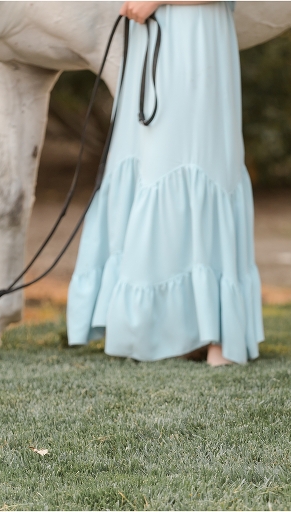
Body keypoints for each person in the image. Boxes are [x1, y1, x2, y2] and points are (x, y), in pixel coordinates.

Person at [67, 0, 263, 366]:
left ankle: (217, 335)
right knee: (147, 161)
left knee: (200, 163)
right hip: (153, 37)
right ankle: (164, 328)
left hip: (197, 35)